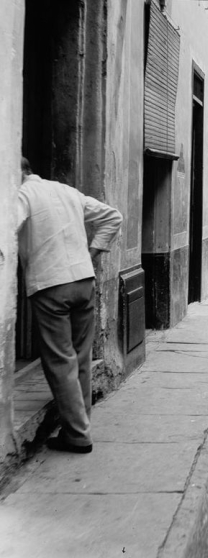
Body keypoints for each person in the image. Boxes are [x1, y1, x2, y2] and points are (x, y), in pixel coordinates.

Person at [16, 158, 122, 454]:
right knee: (80, 357)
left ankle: (77, 435)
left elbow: (6, 226)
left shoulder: (22, 195)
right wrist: (92, 253)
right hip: (83, 280)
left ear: (16, 173)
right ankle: (79, 427)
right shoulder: (66, 191)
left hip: (50, 284)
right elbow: (113, 217)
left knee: (61, 361)